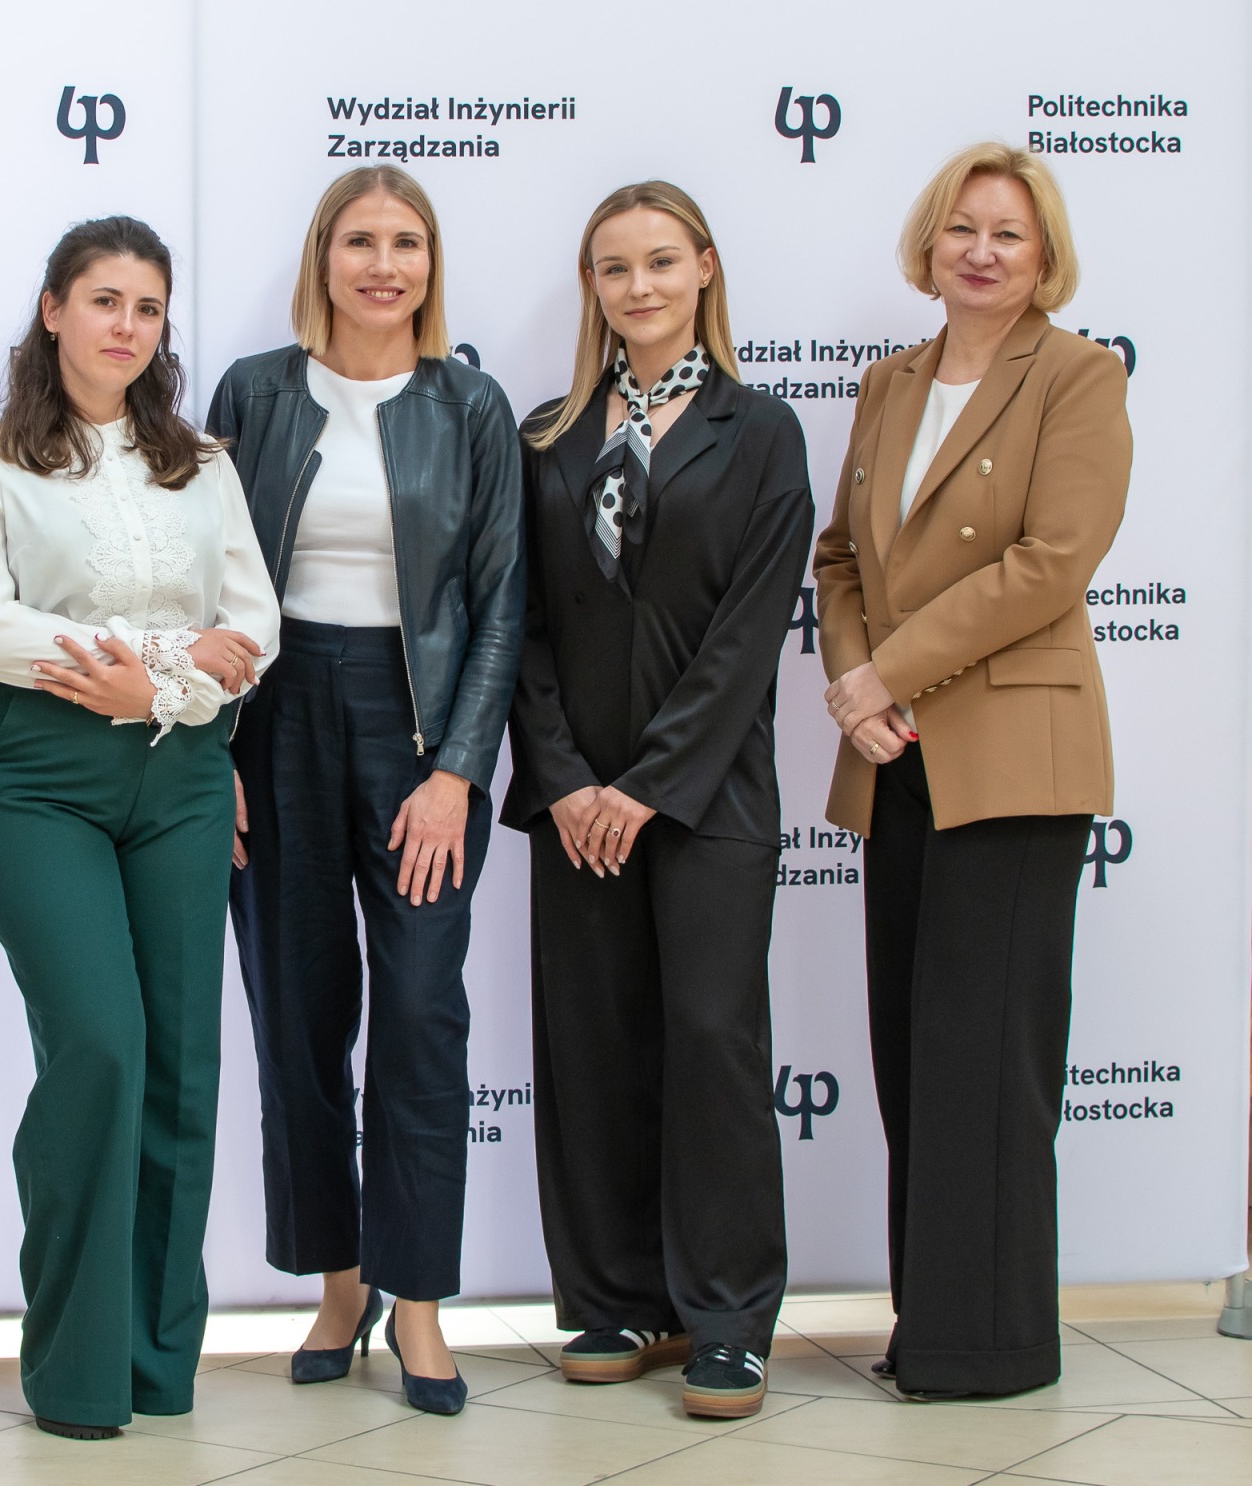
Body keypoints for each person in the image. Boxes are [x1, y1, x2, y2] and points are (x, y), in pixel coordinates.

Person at [0, 215, 279, 1440]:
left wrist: (167, 691)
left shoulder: (202, 461)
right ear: (52, 310)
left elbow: (253, 626)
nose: (124, 326)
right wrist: (160, 659)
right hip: (41, 782)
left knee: (181, 1066)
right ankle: (75, 1364)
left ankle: (154, 1359)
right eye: (102, 301)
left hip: (181, 778)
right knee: (98, 1045)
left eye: (146, 307)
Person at [814, 142, 1129, 1401]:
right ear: (928, 244)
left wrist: (887, 673)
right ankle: (930, 1320)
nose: (980, 251)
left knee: (988, 1061)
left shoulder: (1078, 374)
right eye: (960, 228)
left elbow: (1051, 561)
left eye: (1006, 232)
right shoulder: (888, 382)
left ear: (1042, 253)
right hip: (894, 755)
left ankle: (991, 1344)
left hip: (1010, 759)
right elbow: (840, 558)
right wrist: (855, 680)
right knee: (910, 1053)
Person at [207, 166, 523, 1417]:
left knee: (421, 1016)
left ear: (429, 264)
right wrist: (218, 754)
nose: (381, 265)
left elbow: (499, 603)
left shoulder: (470, 405)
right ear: (321, 258)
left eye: (405, 242)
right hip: (275, 712)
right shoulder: (255, 393)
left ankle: (421, 1302)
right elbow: (203, 579)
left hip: (417, 727)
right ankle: (338, 1283)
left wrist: (455, 771)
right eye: (358, 241)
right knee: (295, 1013)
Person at [502, 182, 811, 1421]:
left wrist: (645, 787)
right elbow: (517, 624)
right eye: (612, 267)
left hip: (704, 798)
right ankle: (612, 1297)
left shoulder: (761, 430)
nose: (637, 287)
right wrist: (567, 781)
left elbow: (746, 639)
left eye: (659, 262)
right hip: (574, 805)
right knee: (590, 1046)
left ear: (704, 270)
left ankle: (726, 1316)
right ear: (590, 285)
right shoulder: (545, 435)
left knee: (712, 1046)